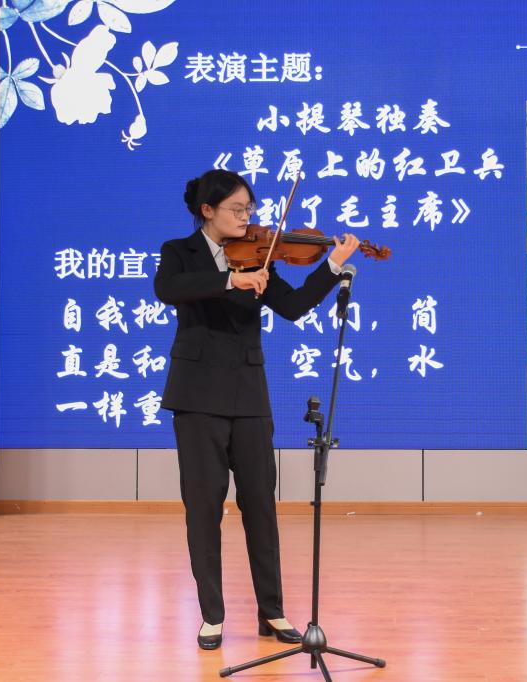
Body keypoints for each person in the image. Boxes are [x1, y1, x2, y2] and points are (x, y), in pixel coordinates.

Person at [153, 169, 360, 650]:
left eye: (249, 209)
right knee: (203, 508)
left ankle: (272, 611)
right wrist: (230, 280)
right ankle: (212, 616)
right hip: (196, 398)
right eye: (237, 209)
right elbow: (170, 289)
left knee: (261, 508)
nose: (247, 218)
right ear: (207, 210)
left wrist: (333, 266)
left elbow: (293, 306)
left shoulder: (258, 254)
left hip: (248, 396)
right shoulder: (179, 252)